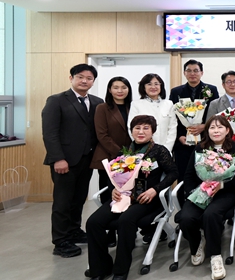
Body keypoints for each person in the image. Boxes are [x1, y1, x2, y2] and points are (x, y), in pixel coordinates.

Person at [84, 115, 178, 280]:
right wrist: (113, 189)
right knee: (93, 222)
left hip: (147, 199)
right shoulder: (124, 152)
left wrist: (155, 189)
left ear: (153, 131)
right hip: (122, 197)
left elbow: (173, 173)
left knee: (125, 220)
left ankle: (120, 270)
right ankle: (100, 268)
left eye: (146, 128)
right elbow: (113, 176)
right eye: (137, 128)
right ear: (131, 131)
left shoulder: (159, 151)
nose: (141, 132)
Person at [42, 64, 104, 258]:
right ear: (71, 78)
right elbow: (50, 133)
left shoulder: (97, 102)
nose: (84, 81)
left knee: (79, 199)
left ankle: (74, 230)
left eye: (89, 78)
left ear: (93, 81)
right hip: (65, 161)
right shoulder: (56, 101)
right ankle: (60, 241)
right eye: (80, 77)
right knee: (63, 202)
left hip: (87, 160)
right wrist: (58, 158)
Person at [178, 115, 235, 280]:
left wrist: (220, 185)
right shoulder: (199, 148)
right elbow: (189, 175)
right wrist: (193, 192)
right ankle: (197, 243)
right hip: (201, 191)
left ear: (227, 130)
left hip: (224, 192)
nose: (216, 131)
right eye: (212, 127)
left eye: (220, 127)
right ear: (207, 131)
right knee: (185, 218)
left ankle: (215, 257)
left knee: (211, 214)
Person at [169, 60, 219, 204]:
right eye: (189, 70)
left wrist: (204, 126)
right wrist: (180, 136)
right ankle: (183, 207)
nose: (192, 73)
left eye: (196, 70)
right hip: (183, 143)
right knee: (184, 175)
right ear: (184, 73)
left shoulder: (211, 90)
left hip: (205, 141)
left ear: (201, 73)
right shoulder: (176, 92)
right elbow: (173, 117)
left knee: (206, 174)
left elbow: (215, 115)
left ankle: (205, 204)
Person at [91, 76, 132, 212]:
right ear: (109, 90)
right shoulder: (102, 108)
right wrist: (121, 154)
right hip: (108, 156)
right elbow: (102, 135)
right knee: (108, 193)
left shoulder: (132, 107)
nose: (120, 91)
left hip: (131, 158)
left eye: (124, 87)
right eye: (116, 87)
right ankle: (107, 223)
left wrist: (130, 155)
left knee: (126, 193)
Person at [205, 70, 235, 157]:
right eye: (229, 82)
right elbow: (208, 125)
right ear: (223, 85)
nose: (232, 84)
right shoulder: (215, 104)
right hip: (219, 146)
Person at [128, 74, 177, 152]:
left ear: (161, 86)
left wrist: (166, 149)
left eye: (156, 84)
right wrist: (141, 146)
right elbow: (131, 127)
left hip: (165, 148)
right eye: (149, 84)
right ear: (143, 87)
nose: (153, 87)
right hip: (143, 150)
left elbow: (172, 128)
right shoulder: (136, 104)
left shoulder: (168, 104)